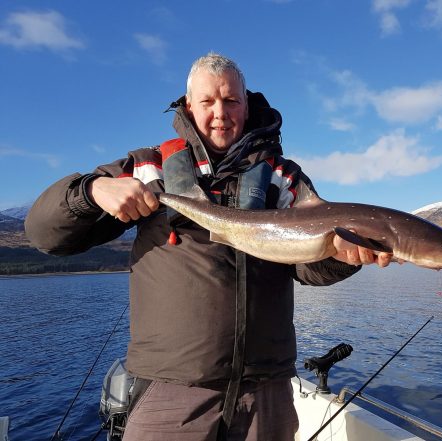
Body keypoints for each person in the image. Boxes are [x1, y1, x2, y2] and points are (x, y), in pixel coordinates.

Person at [25, 52, 392, 441]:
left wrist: (343, 257)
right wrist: (91, 191)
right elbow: (46, 235)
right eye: (208, 101)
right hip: (172, 388)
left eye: (231, 100)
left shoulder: (282, 179)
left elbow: (306, 269)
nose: (221, 112)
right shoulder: (149, 167)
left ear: (246, 104)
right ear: (188, 105)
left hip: (266, 393)